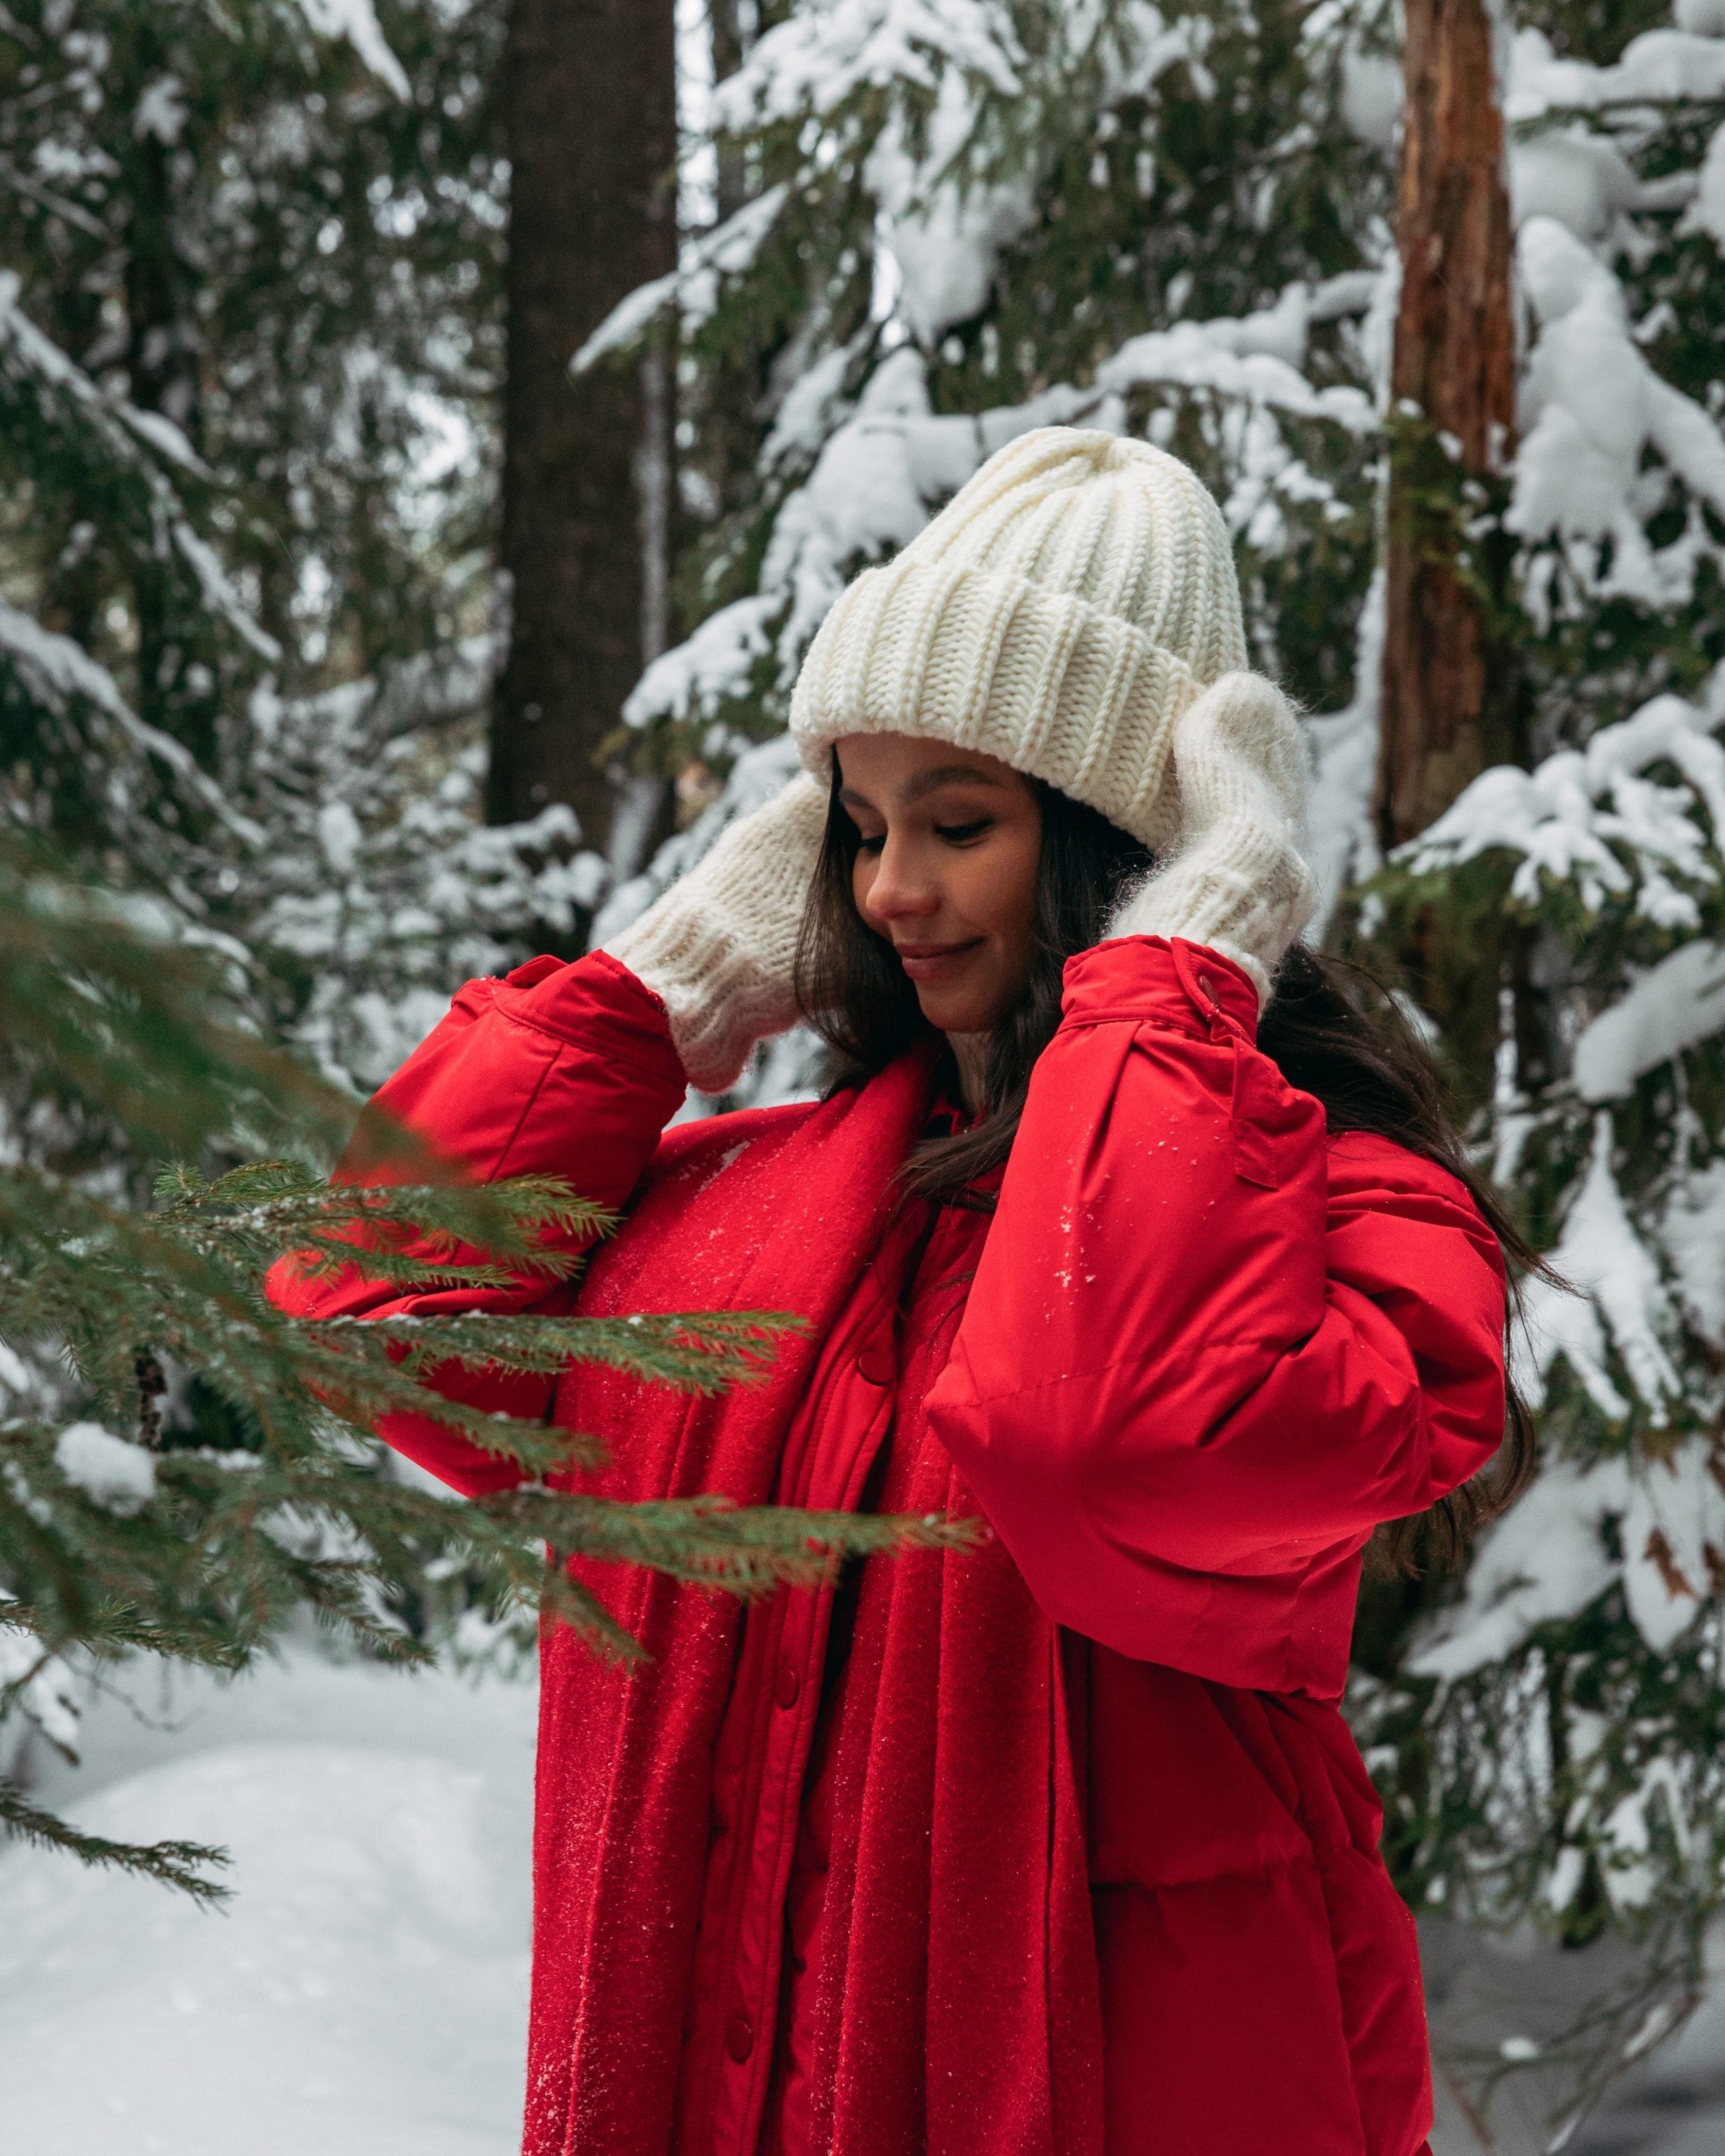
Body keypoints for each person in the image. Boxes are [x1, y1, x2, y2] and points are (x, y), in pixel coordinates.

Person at [270, 429, 1530, 2156]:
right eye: (856, 828)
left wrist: (1175, 971)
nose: (885, 891)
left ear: (1125, 843)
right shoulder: (759, 1208)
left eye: (957, 823)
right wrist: (663, 987)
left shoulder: (1349, 1226)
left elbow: (1099, 1446)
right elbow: (372, 1317)